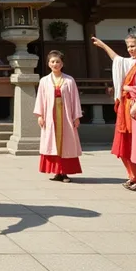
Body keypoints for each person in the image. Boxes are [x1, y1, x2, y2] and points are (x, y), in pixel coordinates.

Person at [92, 33, 136, 195]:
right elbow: (117, 59)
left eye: (133, 46)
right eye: (128, 46)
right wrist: (103, 45)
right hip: (129, 107)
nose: (129, 49)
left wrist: (133, 98)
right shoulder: (135, 63)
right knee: (135, 145)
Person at [34, 50, 83, 182]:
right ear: (48, 64)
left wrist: (76, 116)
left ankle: (65, 172)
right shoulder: (44, 81)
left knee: (66, 142)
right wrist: (40, 115)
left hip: (65, 114)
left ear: (62, 64)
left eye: (58, 62)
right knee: (52, 142)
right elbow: (40, 99)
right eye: (52, 61)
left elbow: (75, 99)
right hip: (50, 115)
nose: (55, 64)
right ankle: (56, 172)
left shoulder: (69, 80)